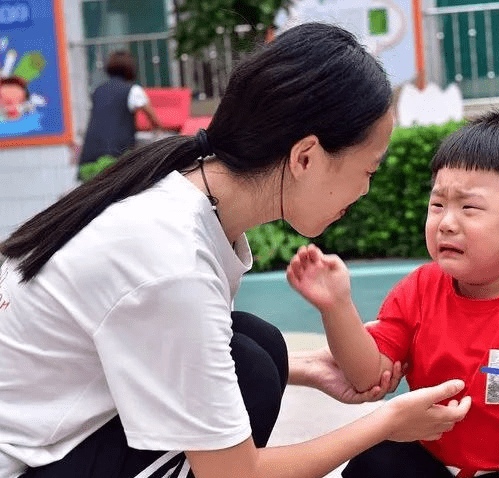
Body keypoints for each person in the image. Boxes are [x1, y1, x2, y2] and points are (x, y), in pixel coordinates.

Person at [0, 23, 471, 478]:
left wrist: (307, 368)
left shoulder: (179, 192)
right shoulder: (173, 262)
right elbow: (234, 474)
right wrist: (387, 423)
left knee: (259, 347)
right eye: (368, 171)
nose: (365, 191)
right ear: (306, 157)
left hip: (54, 436)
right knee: (252, 373)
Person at [287, 111, 499, 478]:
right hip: (436, 465)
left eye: (469, 208)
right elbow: (367, 379)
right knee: (375, 464)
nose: (447, 222)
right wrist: (336, 306)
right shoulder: (417, 291)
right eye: (438, 205)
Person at [77, 50, 163, 181]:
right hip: (115, 161)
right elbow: (154, 120)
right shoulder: (133, 90)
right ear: (131, 68)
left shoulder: (97, 91)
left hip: (88, 161)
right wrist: (158, 130)